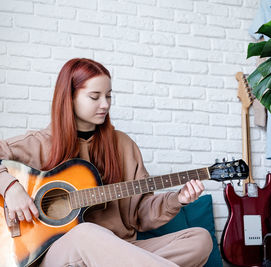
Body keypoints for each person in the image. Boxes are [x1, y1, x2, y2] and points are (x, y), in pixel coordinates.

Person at [0, 58, 213, 267]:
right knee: (85, 233)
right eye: (95, 97)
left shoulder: (123, 145)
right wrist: (10, 187)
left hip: (122, 251)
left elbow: (141, 213)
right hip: (60, 254)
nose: (105, 104)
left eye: (108, 96)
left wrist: (178, 199)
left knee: (198, 239)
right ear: (69, 97)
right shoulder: (36, 143)